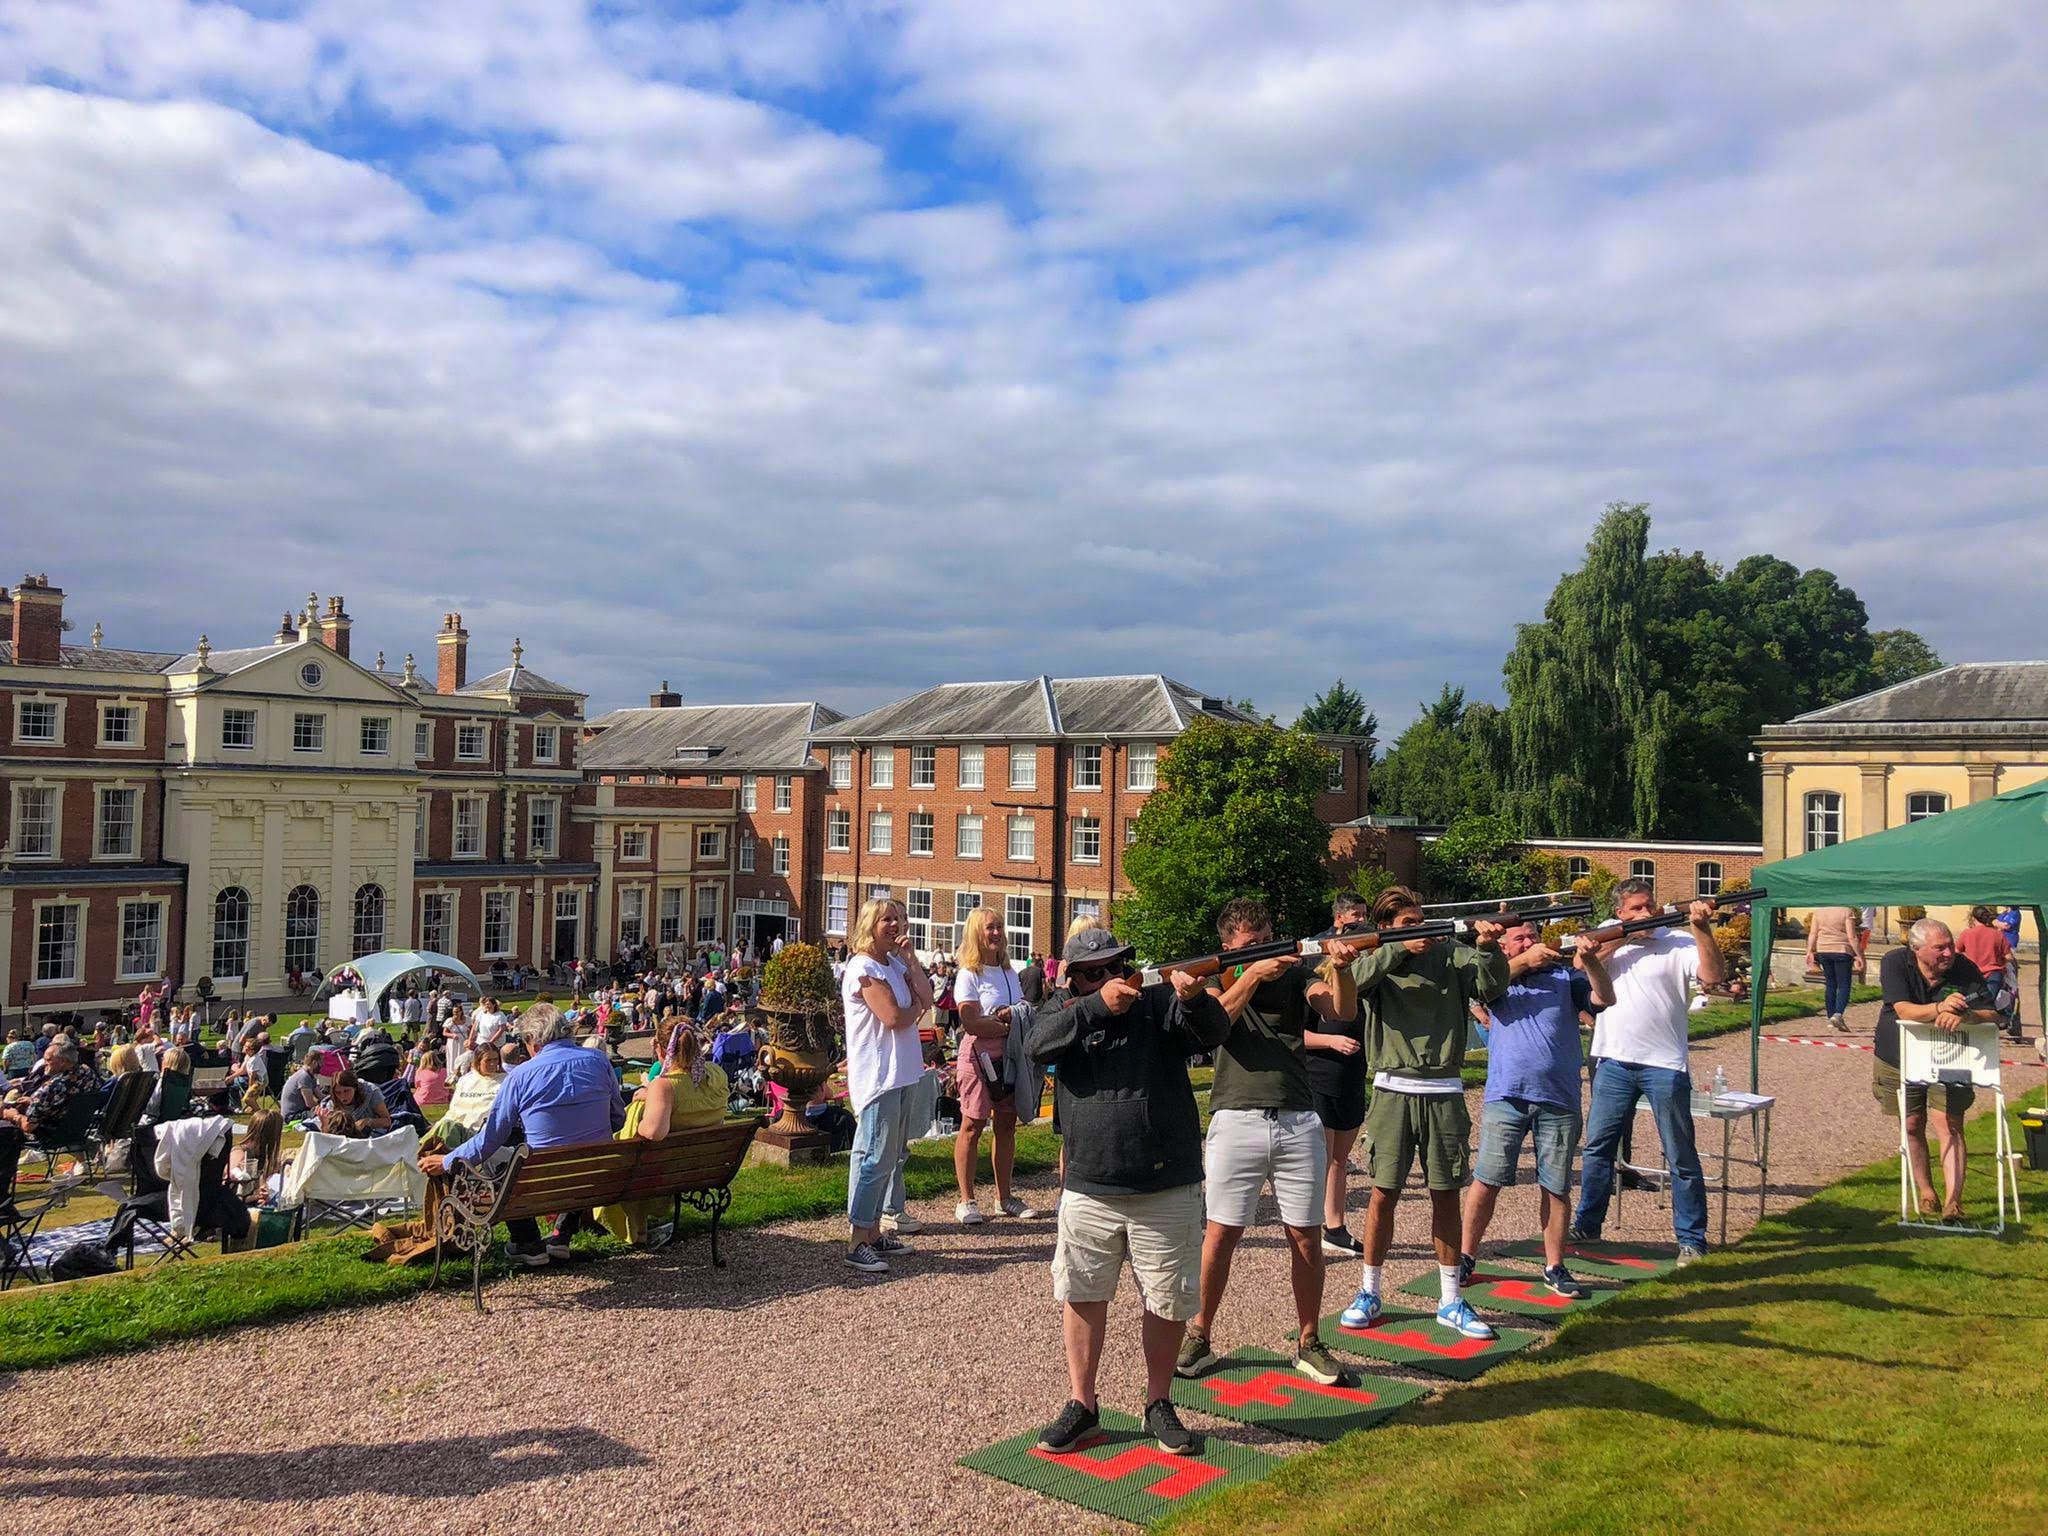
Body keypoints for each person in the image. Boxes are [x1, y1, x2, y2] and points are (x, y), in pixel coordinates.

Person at [1026, 925, 1228, 1456]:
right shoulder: (1063, 1012)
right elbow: (1035, 1045)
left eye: (1116, 967)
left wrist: (1194, 996)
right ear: (1072, 980)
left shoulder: (1159, 1001)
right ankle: (1082, 1402)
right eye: (1093, 973)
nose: (1109, 978)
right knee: (1083, 1292)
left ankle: (1158, 1400)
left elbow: (1212, 1034)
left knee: (1166, 1298)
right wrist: (1096, 1008)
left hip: (1165, 1177)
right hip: (1089, 1182)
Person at [1176, 897, 1362, 1387]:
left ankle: (1308, 1340)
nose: (1262, 950)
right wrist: (1254, 973)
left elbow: (1341, 1009)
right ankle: (1199, 1334)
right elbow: (1216, 1024)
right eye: (1249, 944)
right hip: (1236, 1116)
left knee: (1305, 1233)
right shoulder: (1220, 978)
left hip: (1299, 1117)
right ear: (1227, 947)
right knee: (1221, 1232)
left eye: (1266, 940)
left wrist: (1340, 968)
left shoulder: (1298, 975)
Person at [1338, 886, 1508, 1339]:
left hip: (1444, 1089)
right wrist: (1396, 950)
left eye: (1420, 921)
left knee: (1446, 1193)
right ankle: (1369, 1290)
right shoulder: (1376, 956)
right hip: (1392, 1091)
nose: (1419, 931)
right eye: (1406, 925)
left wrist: (1488, 948)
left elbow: (1493, 986)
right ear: (1387, 929)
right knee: (1383, 1193)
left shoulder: (1452, 952)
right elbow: (1349, 986)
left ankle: (1451, 1297)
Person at [1569, 882, 1726, 1265]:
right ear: (1620, 913)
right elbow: (1580, 963)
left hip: (1665, 1063)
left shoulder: (1677, 940)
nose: (1646, 913)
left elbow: (1713, 976)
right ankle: (1588, 1224)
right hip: (1612, 1060)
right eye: (1637, 908)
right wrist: (1624, 937)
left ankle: (1691, 1238)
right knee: (1598, 1149)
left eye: (1650, 906)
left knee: (1680, 1154)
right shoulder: (1609, 935)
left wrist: (1702, 929)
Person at [1460, 917, 1613, 1296]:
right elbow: (1480, 990)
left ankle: (1555, 1265)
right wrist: (1525, 961)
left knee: (1556, 1186)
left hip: (1559, 1097)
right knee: (1486, 1181)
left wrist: (1590, 961)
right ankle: (1464, 1257)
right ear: (1506, 946)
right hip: (1506, 1095)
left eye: (1533, 936)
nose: (1528, 941)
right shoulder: (1497, 977)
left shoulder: (1565, 977)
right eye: (1519, 938)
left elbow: (1604, 999)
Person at [420, 1003, 625, 1266]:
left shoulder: (520, 1075)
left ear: (532, 1041)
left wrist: (446, 1160)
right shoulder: (599, 1062)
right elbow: (618, 1118)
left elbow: (489, 1141)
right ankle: (561, 1235)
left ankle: (527, 1241)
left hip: (540, 1180)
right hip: (598, 1176)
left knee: (500, 1163)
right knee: (575, 1153)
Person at [1875, 917, 2002, 1223]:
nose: (1949, 953)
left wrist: (1967, 1014)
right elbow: (1902, 1008)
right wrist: (1939, 1008)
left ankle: (1953, 1202)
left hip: (1951, 1058)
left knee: (1949, 1123)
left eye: (1950, 946)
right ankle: (1927, 1192)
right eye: (1940, 948)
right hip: (1897, 1056)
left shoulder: (1965, 968)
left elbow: (1993, 1014)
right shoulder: (1894, 962)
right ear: (1916, 949)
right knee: (1911, 1124)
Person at [840, 897, 934, 1275]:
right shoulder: (862, 968)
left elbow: (927, 998)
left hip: (904, 1070)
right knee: (875, 1157)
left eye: (898, 918)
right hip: (879, 1075)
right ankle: (858, 1239)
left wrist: (911, 961)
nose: (895, 925)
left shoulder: (893, 963)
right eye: (887, 920)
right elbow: (894, 1017)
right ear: (870, 925)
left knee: (890, 1155)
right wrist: (914, 1012)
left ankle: (874, 1231)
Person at [596, 1020, 730, 1244]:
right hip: (706, 1165)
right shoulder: (716, 1074)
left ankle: (638, 1233)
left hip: (667, 1170)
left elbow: (653, 1132)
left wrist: (639, 1110)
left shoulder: (665, 1086)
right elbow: (689, 1097)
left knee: (632, 1149)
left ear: (660, 1048)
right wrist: (652, 1095)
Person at [951, 907, 1036, 1225]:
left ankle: (1004, 1197)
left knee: (1006, 1125)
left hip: (1009, 1057)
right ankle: (966, 1199)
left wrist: (1009, 1021)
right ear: (976, 932)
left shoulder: (1009, 972)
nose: (997, 933)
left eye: (1000, 927)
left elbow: (1019, 1011)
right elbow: (971, 1022)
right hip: (977, 1058)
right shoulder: (968, 974)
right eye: (990, 927)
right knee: (972, 1125)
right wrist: (1005, 1025)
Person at [1308, 895, 1373, 1258]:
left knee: (1340, 1159)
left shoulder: (1364, 982)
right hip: (1318, 1073)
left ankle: (1334, 1227)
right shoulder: (1314, 981)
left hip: (1352, 1071)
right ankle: (1308, 1228)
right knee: (1320, 1157)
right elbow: (1293, 1036)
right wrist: (1329, 1040)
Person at [1804, 905, 1864, 1032]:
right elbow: (1852, 936)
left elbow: (1813, 932)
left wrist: (1809, 951)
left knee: (1830, 984)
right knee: (1844, 985)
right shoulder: (1846, 911)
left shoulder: (1818, 911)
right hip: (1842, 949)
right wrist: (1858, 955)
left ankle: (1830, 1017)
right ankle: (1838, 1014)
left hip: (1823, 949)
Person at [319, 1068, 393, 1138]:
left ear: (355, 1088)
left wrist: (367, 1122)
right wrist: (324, 1124)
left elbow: (387, 1121)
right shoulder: (332, 1104)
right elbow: (328, 1137)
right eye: (338, 1092)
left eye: (346, 1091)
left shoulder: (372, 1093)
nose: (342, 1096)